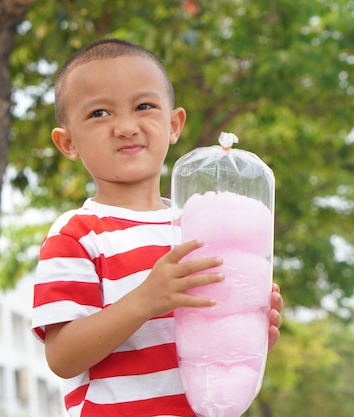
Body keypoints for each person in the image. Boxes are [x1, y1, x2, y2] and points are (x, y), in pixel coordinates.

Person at [31, 38, 284, 417]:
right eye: (99, 113)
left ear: (173, 124)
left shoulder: (199, 226)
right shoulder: (77, 234)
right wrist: (145, 300)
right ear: (68, 143)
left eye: (143, 106)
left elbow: (204, 343)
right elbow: (63, 356)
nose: (126, 127)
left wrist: (247, 329)